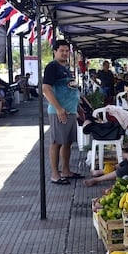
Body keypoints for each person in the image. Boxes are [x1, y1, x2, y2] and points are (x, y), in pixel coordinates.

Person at [42, 39, 82, 185]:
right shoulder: (52, 67)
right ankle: (55, 174)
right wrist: (59, 108)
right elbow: (46, 88)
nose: (65, 53)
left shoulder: (65, 67)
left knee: (67, 142)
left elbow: (70, 88)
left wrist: (78, 107)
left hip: (70, 110)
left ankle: (66, 171)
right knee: (56, 142)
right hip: (59, 111)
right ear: (55, 51)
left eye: (67, 51)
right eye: (62, 51)